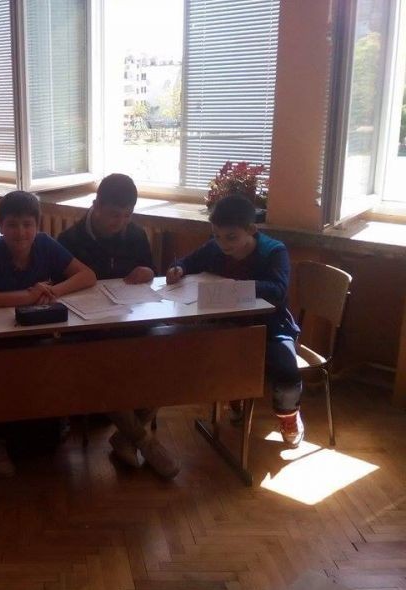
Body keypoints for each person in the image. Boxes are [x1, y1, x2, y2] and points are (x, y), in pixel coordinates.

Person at [0, 191, 97, 475]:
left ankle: (54, 416)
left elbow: (87, 275)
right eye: (12, 224)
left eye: (27, 224)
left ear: (37, 226)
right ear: (0, 226)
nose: (20, 232)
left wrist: (52, 291)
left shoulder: (45, 245)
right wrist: (26, 297)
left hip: (36, 333)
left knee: (57, 361)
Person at [57, 174, 180, 478]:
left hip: (131, 321)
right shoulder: (69, 240)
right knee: (104, 367)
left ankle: (125, 437)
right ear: (95, 205)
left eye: (127, 215)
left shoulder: (135, 234)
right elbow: (60, 290)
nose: (121, 222)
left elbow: (151, 271)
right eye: (114, 214)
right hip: (88, 329)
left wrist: (148, 271)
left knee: (171, 358)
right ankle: (144, 442)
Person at [166, 194, 304, 446]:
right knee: (204, 351)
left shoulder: (274, 251)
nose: (222, 244)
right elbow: (189, 261)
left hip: (271, 326)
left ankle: (289, 415)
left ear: (251, 230)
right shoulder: (215, 247)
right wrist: (179, 268)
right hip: (228, 324)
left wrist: (236, 287)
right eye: (216, 236)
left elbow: (277, 290)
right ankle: (235, 397)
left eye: (231, 237)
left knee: (286, 365)